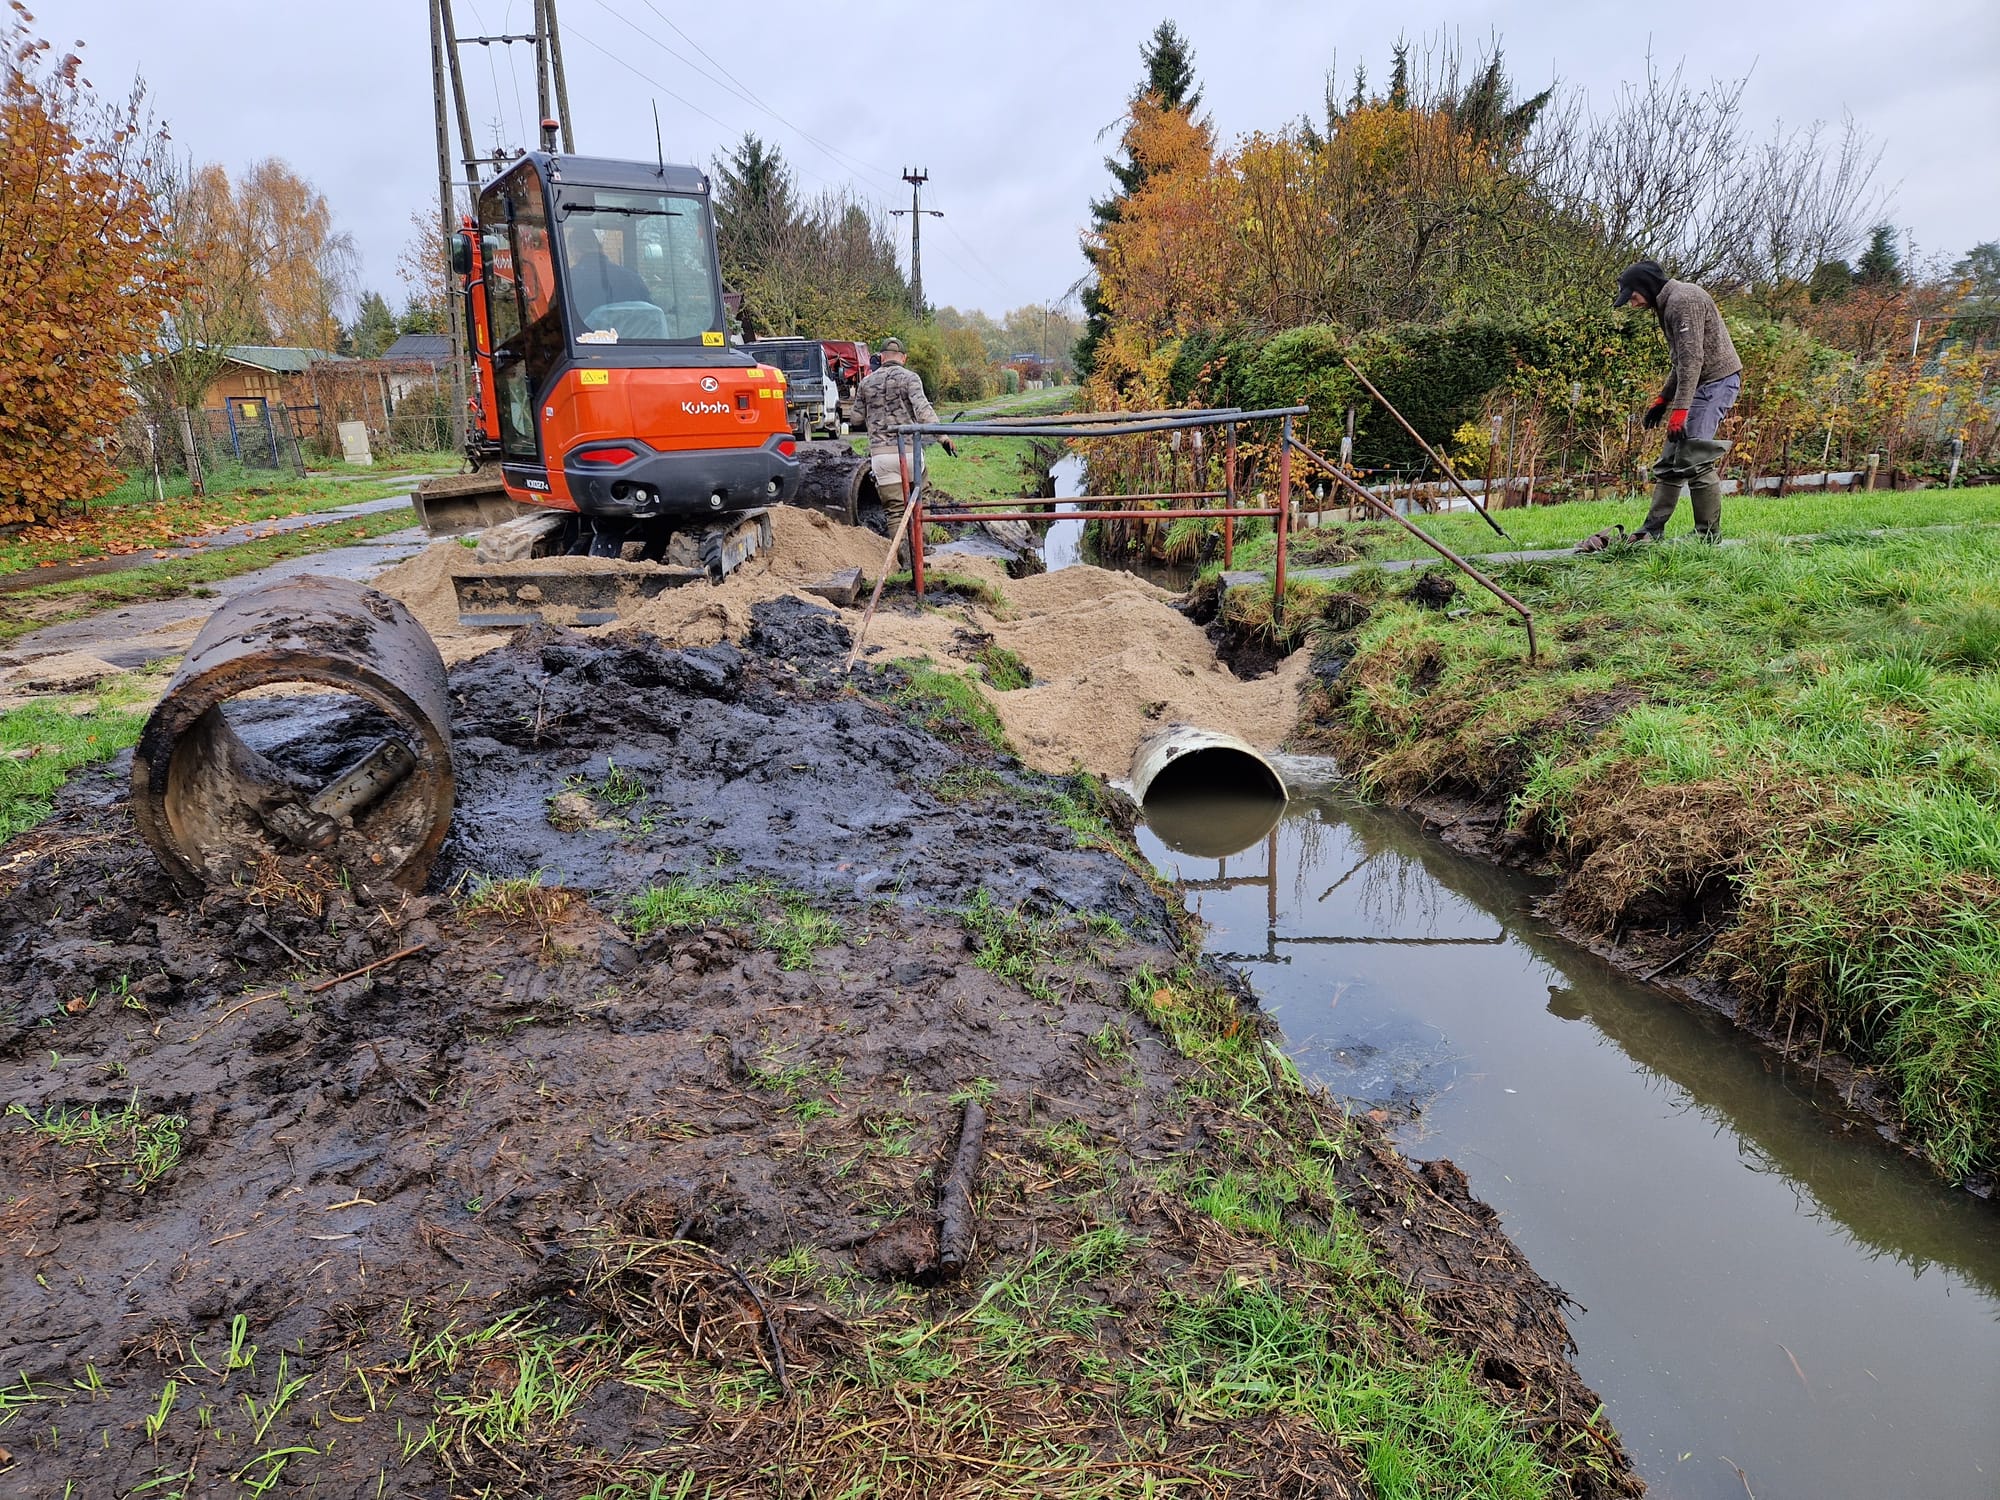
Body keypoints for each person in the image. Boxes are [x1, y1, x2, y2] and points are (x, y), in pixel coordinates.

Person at [1616, 259, 1742, 541]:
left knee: (1695, 457)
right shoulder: (1668, 303)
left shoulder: (1684, 300)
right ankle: (1651, 530)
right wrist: (1663, 399)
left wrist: (1679, 410)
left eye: (1633, 297)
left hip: (1716, 382)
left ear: (1646, 287)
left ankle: (1707, 535)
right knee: (1669, 462)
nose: (1632, 304)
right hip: (1698, 383)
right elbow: (1681, 362)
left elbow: (1693, 360)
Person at [857, 337, 954, 561]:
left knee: (894, 511)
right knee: (921, 500)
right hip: (910, 453)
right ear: (904, 358)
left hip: (881, 455)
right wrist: (943, 438)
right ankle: (921, 550)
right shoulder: (911, 378)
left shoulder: (866, 382)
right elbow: (924, 411)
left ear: (881, 358)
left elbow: (856, 418)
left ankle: (904, 560)